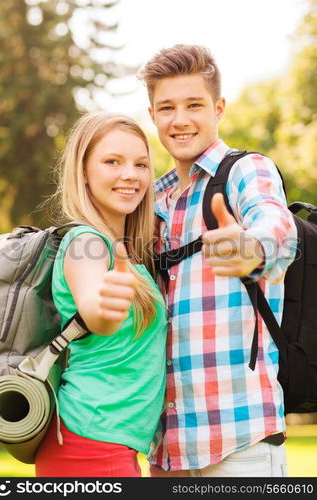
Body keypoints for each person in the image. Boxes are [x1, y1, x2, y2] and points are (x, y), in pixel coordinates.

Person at [138, 44, 297, 477]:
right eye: (167, 107)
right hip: (167, 450)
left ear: (219, 108)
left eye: (194, 104)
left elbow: (277, 225)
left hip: (238, 442)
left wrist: (255, 247)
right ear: (152, 114)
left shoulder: (246, 171)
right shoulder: (153, 201)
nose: (180, 119)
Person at [35, 112, 167, 477]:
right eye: (112, 161)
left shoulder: (125, 252)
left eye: (141, 164)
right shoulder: (86, 242)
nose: (131, 174)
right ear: (83, 172)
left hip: (102, 444)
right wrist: (105, 312)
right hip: (90, 445)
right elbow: (95, 311)